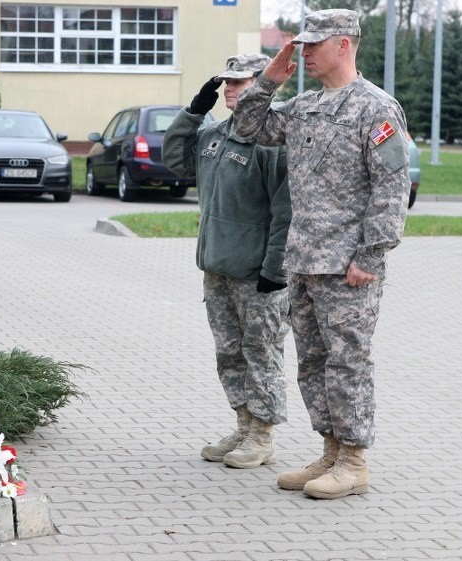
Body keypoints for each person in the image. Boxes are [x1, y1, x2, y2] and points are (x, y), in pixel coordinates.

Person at [231, 9, 410, 498]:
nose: (304, 52)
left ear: (344, 45)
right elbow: (247, 126)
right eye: (301, 44)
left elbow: (392, 189)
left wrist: (371, 257)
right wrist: (271, 76)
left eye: (313, 44)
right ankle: (329, 451)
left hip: (348, 265)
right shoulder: (306, 105)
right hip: (304, 259)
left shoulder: (375, 107)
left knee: (348, 362)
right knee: (311, 362)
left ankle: (354, 461)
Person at [162, 54, 292, 469]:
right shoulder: (215, 135)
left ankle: (262, 435)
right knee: (229, 353)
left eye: (241, 82)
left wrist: (274, 271)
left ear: (263, 85)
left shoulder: (273, 143)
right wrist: (194, 111)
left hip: (257, 275)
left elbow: (286, 213)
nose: (231, 89)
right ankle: (242, 422)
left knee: (262, 353)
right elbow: (175, 159)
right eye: (226, 83)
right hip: (217, 268)